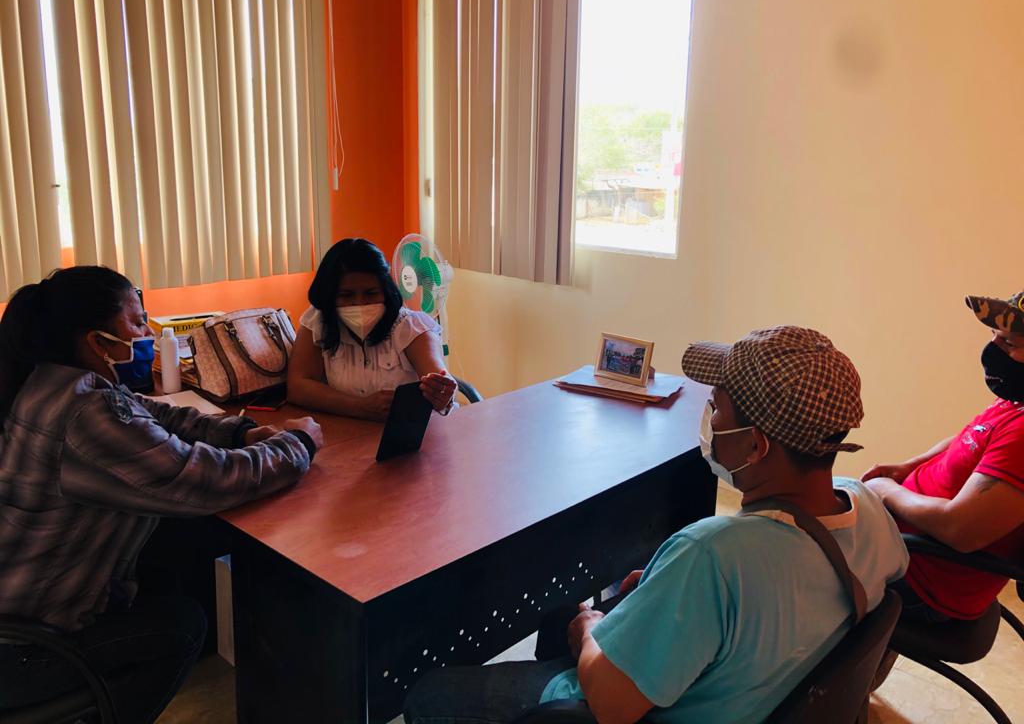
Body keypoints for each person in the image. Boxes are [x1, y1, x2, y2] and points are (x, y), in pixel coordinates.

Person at [404, 326, 908, 724]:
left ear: (756, 445)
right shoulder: (867, 507)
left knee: (430, 693)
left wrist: (590, 628)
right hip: (753, 689)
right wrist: (665, 590)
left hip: (627, 706)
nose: (709, 418)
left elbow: (611, 704)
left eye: (717, 408)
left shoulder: (712, 554)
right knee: (562, 614)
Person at [0, 266, 323, 723]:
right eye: (136, 323)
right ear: (96, 341)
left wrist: (241, 432)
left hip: (20, 610)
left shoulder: (53, 382)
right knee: (182, 624)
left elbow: (155, 415)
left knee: (180, 545)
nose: (147, 332)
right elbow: (202, 480)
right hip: (27, 649)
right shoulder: (85, 414)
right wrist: (298, 444)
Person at [863, 290, 1024, 623]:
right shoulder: (1014, 400)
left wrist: (887, 492)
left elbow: (960, 530)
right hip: (906, 549)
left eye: (1009, 343)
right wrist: (910, 466)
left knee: (790, 561)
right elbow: (972, 436)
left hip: (922, 581)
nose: (993, 349)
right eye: (994, 335)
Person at [288, 238, 458, 420]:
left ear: (386, 290)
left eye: (371, 293)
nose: (359, 303)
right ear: (330, 295)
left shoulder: (412, 327)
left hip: (411, 431)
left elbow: (438, 377)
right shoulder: (319, 321)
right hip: (346, 431)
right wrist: (360, 407)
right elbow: (298, 387)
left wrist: (442, 394)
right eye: (346, 295)